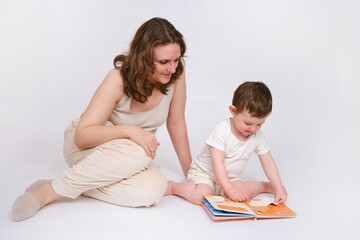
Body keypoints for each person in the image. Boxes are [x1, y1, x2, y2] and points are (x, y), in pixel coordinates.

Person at [12, 17, 192, 222]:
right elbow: (82, 136)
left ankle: (74, 182)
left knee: (154, 190)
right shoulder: (118, 79)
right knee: (140, 153)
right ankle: (49, 192)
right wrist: (129, 131)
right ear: (144, 58)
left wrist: (191, 174)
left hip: (125, 159)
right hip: (87, 149)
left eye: (176, 60)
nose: (172, 68)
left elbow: (176, 123)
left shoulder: (176, 75)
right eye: (164, 62)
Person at [165, 81, 287, 205]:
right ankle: (173, 187)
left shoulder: (257, 137)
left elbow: (268, 161)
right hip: (205, 175)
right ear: (233, 111)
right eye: (248, 123)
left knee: (244, 191)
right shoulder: (221, 131)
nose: (253, 129)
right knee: (200, 197)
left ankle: (265, 186)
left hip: (230, 178)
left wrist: (278, 187)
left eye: (259, 124)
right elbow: (217, 163)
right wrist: (230, 190)